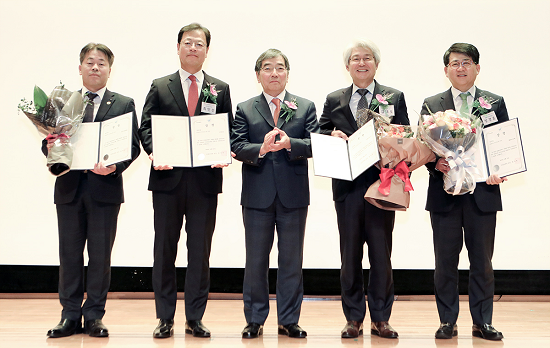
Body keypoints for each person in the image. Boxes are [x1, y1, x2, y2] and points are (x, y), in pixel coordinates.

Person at [138, 23, 233, 339]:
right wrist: (154, 152)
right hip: (167, 180)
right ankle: (164, 317)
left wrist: (224, 151)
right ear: (178, 47)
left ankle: (195, 317)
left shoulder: (218, 88)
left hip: (205, 181)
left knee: (199, 252)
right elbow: (146, 128)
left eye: (200, 43)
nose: (194, 48)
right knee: (164, 251)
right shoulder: (160, 85)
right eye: (188, 42)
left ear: (207, 50)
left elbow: (227, 130)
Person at [45, 43, 141, 338]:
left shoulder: (123, 103)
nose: (95, 67)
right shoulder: (63, 102)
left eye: (101, 63)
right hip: (70, 189)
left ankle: (94, 316)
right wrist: (50, 144)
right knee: (69, 255)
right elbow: (49, 141)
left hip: (104, 190)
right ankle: (70, 315)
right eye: (90, 62)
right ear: (80, 68)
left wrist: (113, 168)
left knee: (100, 257)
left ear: (110, 70)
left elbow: (132, 147)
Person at [318, 39, 409, 339]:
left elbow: (407, 137)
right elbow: (319, 135)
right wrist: (332, 134)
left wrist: (392, 142)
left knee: (382, 255)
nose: (361, 63)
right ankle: (354, 318)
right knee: (350, 254)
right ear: (347, 66)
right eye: (355, 59)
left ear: (376, 64)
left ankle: (381, 318)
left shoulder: (394, 97)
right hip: (347, 189)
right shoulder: (334, 99)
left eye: (367, 58)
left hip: (382, 185)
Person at [420, 42, 508, 341]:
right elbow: (423, 149)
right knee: (445, 261)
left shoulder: (493, 102)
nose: (461, 68)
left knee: (482, 261)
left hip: (482, 193)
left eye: (467, 62)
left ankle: (482, 321)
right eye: (455, 63)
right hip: (444, 194)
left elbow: (502, 143)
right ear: (446, 70)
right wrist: (437, 163)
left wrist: (500, 168)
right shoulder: (432, 104)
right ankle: (447, 320)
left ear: (477, 68)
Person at [231, 48, 319, 339]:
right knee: (256, 260)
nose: (274, 73)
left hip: (293, 196)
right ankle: (254, 319)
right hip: (257, 195)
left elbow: (315, 143)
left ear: (287, 74)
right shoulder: (245, 108)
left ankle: (288, 319)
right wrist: (263, 149)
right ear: (258, 75)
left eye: (280, 68)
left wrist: (289, 143)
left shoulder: (304, 106)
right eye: (267, 68)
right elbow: (237, 146)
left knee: (291, 260)